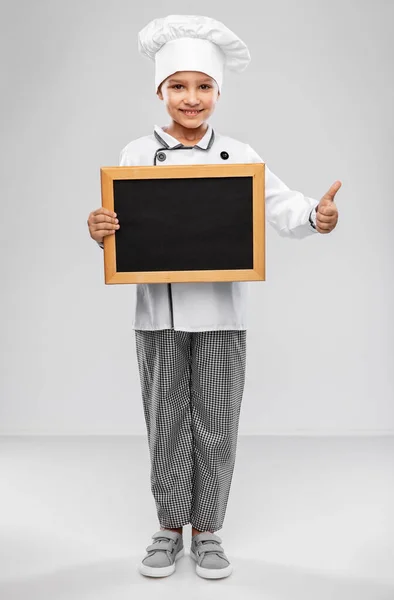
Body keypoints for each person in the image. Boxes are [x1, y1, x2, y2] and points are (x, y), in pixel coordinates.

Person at [87, 14, 341, 580]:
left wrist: (314, 217)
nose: (191, 98)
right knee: (166, 417)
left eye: (203, 87)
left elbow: (281, 206)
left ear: (218, 92)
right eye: (178, 86)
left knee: (218, 418)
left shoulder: (237, 154)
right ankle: (166, 528)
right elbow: (114, 221)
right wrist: (98, 225)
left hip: (223, 314)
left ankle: (208, 531)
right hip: (157, 315)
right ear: (160, 91)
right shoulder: (134, 154)